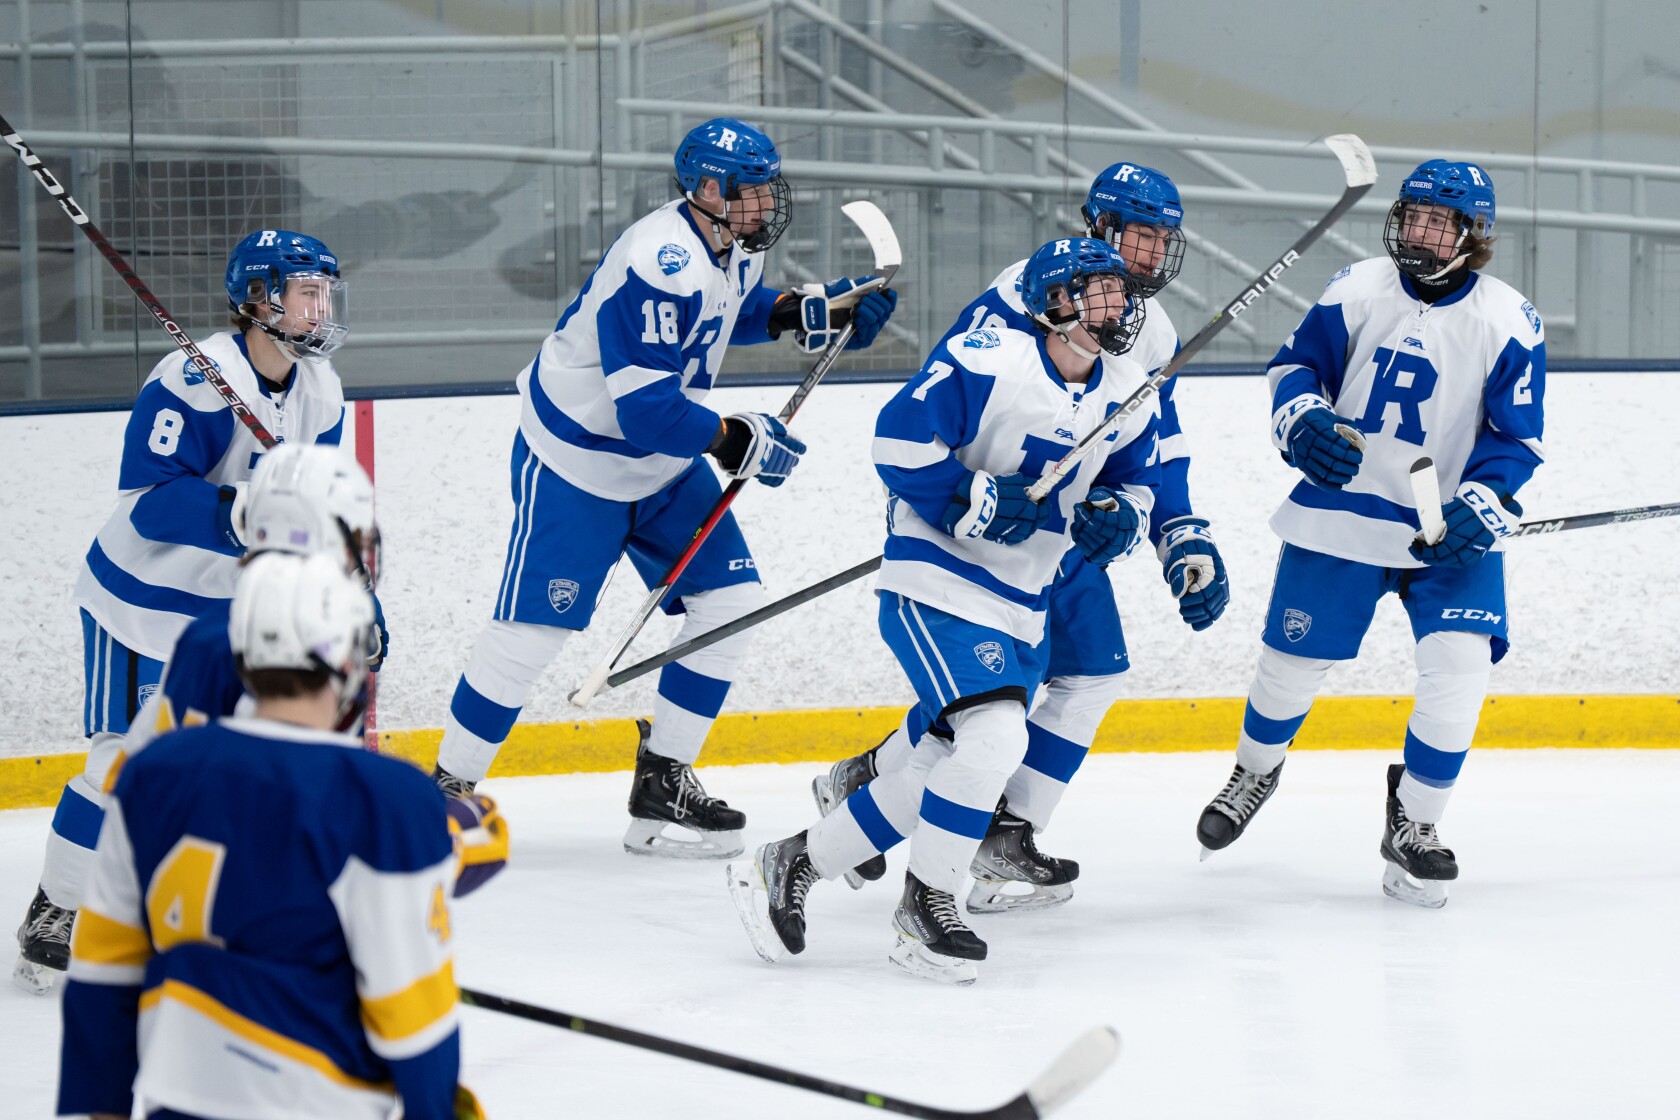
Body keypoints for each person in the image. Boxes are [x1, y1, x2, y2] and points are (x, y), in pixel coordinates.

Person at [431, 117, 897, 860]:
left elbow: (725, 314)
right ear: (705, 189)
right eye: (749, 190)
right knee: (532, 635)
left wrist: (808, 311)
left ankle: (663, 781)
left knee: (731, 604)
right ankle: (445, 794)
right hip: (578, 461)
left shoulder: (731, 242)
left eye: (767, 188)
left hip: (662, 460)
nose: (765, 204)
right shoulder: (660, 259)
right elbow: (644, 411)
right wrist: (735, 437)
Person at [728, 237, 1160, 984]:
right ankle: (927, 904)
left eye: (1120, 292)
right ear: (1056, 303)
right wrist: (973, 497)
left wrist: (1120, 516)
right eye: (1099, 290)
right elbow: (897, 441)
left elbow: (1133, 479)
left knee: (943, 764)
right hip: (939, 578)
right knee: (993, 741)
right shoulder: (990, 359)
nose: (1117, 304)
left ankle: (792, 861)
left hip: (1024, 600)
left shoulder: (1126, 387)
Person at [810, 162, 1228, 912]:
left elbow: (1149, 447)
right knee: (984, 714)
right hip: (981, 528)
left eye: (1163, 238)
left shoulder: (1151, 329)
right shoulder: (1033, 296)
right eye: (1138, 234)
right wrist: (959, 503)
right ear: (1098, 228)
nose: (1151, 253)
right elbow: (935, 418)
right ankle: (870, 808)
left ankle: (1003, 832)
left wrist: (1172, 530)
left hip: (1053, 533)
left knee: (1086, 675)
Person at [1194, 160, 1544, 908]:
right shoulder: (1356, 287)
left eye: (1437, 222)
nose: (1418, 231)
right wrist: (1303, 421)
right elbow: (1296, 368)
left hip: (1444, 532)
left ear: (1473, 234)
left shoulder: (1509, 319)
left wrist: (1484, 502)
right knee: (1289, 667)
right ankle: (1255, 770)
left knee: (1460, 672)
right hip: (1341, 513)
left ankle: (1415, 820)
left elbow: (1515, 437)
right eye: (1412, 215)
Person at [16, 231, 352, 994]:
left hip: (228, 609)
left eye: (326, 293)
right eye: (307, 292)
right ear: (260, 299)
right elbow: (151, 501)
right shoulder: (196, 379)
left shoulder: (320, 389)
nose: (321, 307)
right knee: (123, 764)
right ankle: (56, 913)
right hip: (140, 600)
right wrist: (244, 511)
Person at [56, 552, 482, 1120]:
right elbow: (409, 1006)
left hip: (180, 1095)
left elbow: (103, 967)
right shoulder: (385, 797)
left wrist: (100, 1110)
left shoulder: (151, 773)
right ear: (349, 661)